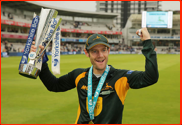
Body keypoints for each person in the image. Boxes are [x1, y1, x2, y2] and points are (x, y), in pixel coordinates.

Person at [30, 27, 159, 124]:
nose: (100, 55)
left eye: (103, 50)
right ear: (87, 53)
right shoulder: (79, 75)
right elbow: (53, 85)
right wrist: (41, 62)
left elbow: (151, 77)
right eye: (94, 51)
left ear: (109, 51)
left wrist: (147, 43)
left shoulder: (121, 77)